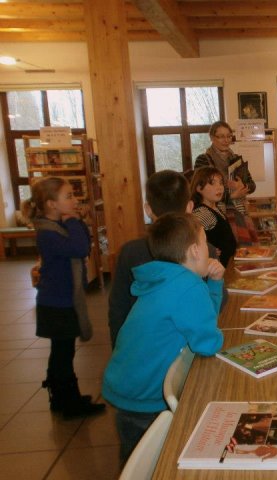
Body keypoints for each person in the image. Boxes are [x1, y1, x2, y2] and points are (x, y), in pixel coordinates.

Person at [102, 212, 225, 466]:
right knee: (151, 464)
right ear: (194, 251)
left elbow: (203, 320)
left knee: (132, 459)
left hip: (128, 386)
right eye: (205, 243)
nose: (209, 250)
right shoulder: (188, 286)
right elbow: (209, 343)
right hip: (147, 395)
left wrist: (214, 284)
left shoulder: (166, 278)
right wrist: (211, 287)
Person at [108, 170, 225, 348]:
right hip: (186, 350)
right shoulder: (202, 250)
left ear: (148, 209)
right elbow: (215, 307)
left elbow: (118, 308)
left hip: (140, 350)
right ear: (189, 207)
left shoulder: (129, 252)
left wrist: (119, 348)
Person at [28, 177, 106, 418]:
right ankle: (67, 401)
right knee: (63, 353)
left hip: (62, 301)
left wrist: (75, 221)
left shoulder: (59, 226)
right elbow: (79, 248)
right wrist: (73, 220)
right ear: (51, 204)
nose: (75, 200)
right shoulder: (48, 233)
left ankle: (63, 396)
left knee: (63, 351)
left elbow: (84, 240)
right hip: (57, 303)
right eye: (68, 196)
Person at [194, 120, 258, 245]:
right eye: (221, 136)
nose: (226, 140)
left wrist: (243, 186)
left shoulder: (236, 159)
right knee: (225, 249)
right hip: (215, 213)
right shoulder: (203, 159)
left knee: (245, 250)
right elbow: (203, 189)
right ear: (212, 138)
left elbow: (252, 185)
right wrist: (231, 195)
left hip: (239, 211)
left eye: (229, 136)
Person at [190, 166, 237, 267]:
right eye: (212, 183)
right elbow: (190, 238)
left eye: (221, 183)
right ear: (199, 188)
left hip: (227, 265)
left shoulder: (217, 207)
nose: (219, 187)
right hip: (217, 269)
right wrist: (208, 248)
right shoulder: (202, 212)